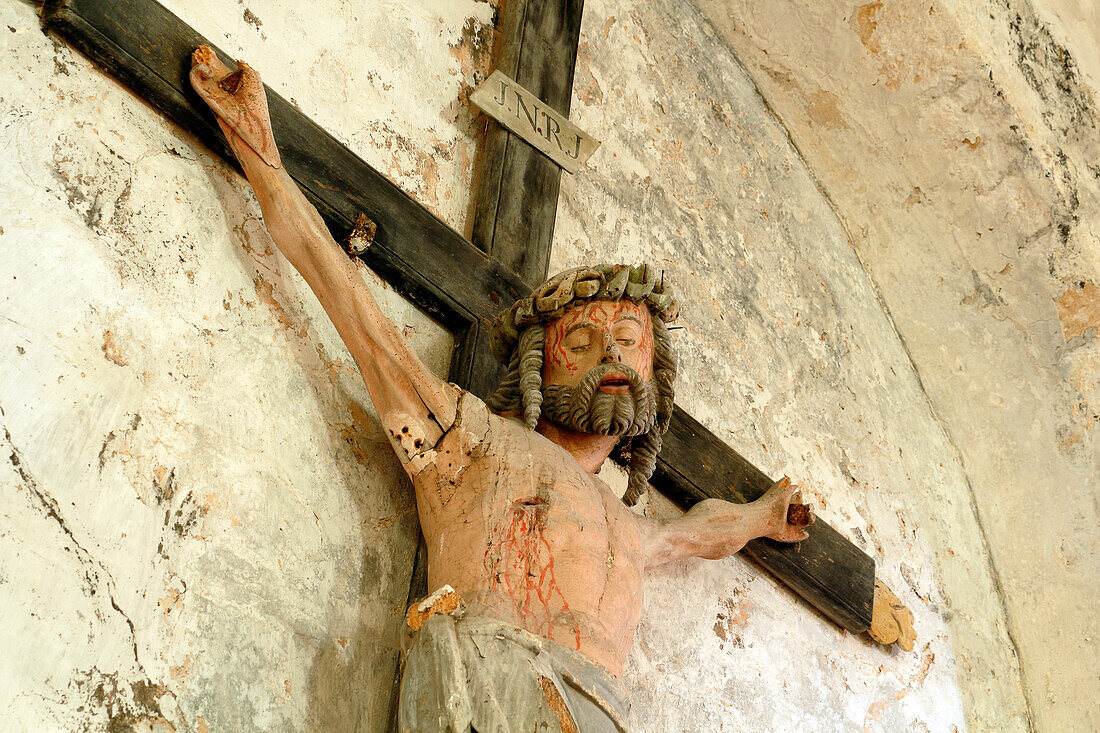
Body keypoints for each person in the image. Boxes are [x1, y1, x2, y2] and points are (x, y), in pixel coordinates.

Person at [190, 47, 813, 732]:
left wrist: (762, 515)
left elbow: (699, 533)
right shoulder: (473, 440)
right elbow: (352, 307)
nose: (609, 352)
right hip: (491, 690)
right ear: (539, 368)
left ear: (654, 378)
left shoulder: (631, 531)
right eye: (580, 341)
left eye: (628, 340)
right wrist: (260, 151)